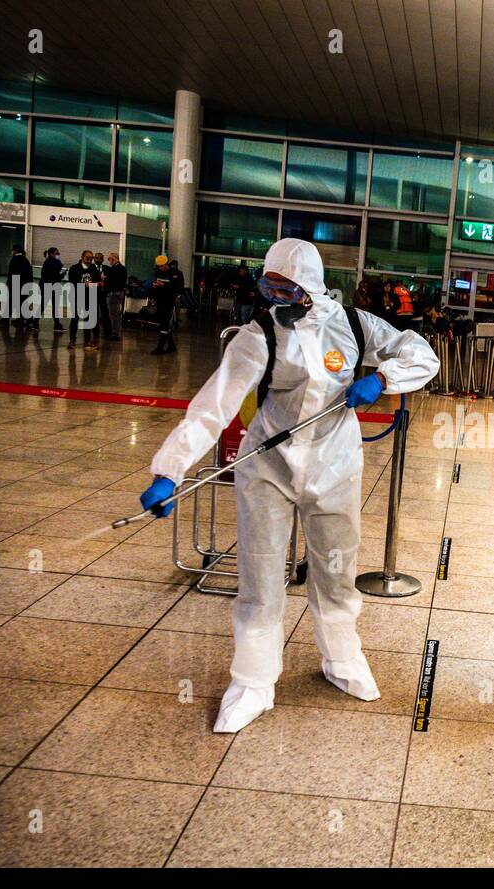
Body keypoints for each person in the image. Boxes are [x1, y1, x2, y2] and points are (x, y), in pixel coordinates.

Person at [138, 238, 439, 733]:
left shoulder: (358, 325)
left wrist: (383, 379)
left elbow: (422, 355)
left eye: (284, 285)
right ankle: (253, 682)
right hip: (269, 468)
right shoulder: (258, 336)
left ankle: (341, 658)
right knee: (259, 575)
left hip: (336, 467)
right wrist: (169, 469)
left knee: (337, 569)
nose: (272, 293)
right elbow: (214, 405)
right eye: (268, 283)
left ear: (309, 286)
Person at [146, 254, 183, 355]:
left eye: (162, 266)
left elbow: (178, 288)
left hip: (170, 301)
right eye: (159, 266)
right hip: (160, 301)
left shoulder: (176, 274)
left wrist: (164, 285)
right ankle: (171, 346)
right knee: (163, 323)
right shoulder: (158, 273)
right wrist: (154, 286)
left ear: (167, 264)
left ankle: (160, 347)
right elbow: (153, 286)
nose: (161, 268)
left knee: (164, 323)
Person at [65, 250, 101, 351]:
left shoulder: (94, 268)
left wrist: (98, 283)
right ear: (82, 257)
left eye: (91, 258)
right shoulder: (74, 268)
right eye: (87, 258)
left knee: (88, 320)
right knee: (75, 319)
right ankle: (72, 340)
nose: (89, 260)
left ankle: (87, 341)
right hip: (77, 296)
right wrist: (83, 285)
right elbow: (72, 282)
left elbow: (98, 280)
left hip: (90, 297)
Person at [102, 252, 127, 341]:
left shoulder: (116, 268)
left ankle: (115, 334)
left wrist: (105, 278)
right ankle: (115, 333)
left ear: (113, 258)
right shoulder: (122, 268)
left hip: (114, 293)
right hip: (119, 292)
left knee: (113, 314)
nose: (109, 261)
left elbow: (113, 280)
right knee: (115, 314)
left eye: (109, 259)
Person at [5, 245, 32, 327]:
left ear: (15, 251)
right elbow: (29, 273)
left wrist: (9, 283)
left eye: (12, 251)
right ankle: (21, 319)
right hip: (25, 284)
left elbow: (12, 273)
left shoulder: (15, 259)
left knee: (11, 302)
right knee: (21, 302)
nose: (12, 252)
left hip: (16, 284)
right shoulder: (26, 260)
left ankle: (6, 319)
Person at [40, 248, 63, 331]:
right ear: (51, 254)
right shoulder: (52, 262)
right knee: (51, 306)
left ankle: (35, 322)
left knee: (45, 305)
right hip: (50, 286)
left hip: (49, 286)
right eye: (57, 253)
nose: (58, 254)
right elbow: (53, 275)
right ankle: (57, 325)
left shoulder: (49, 261)